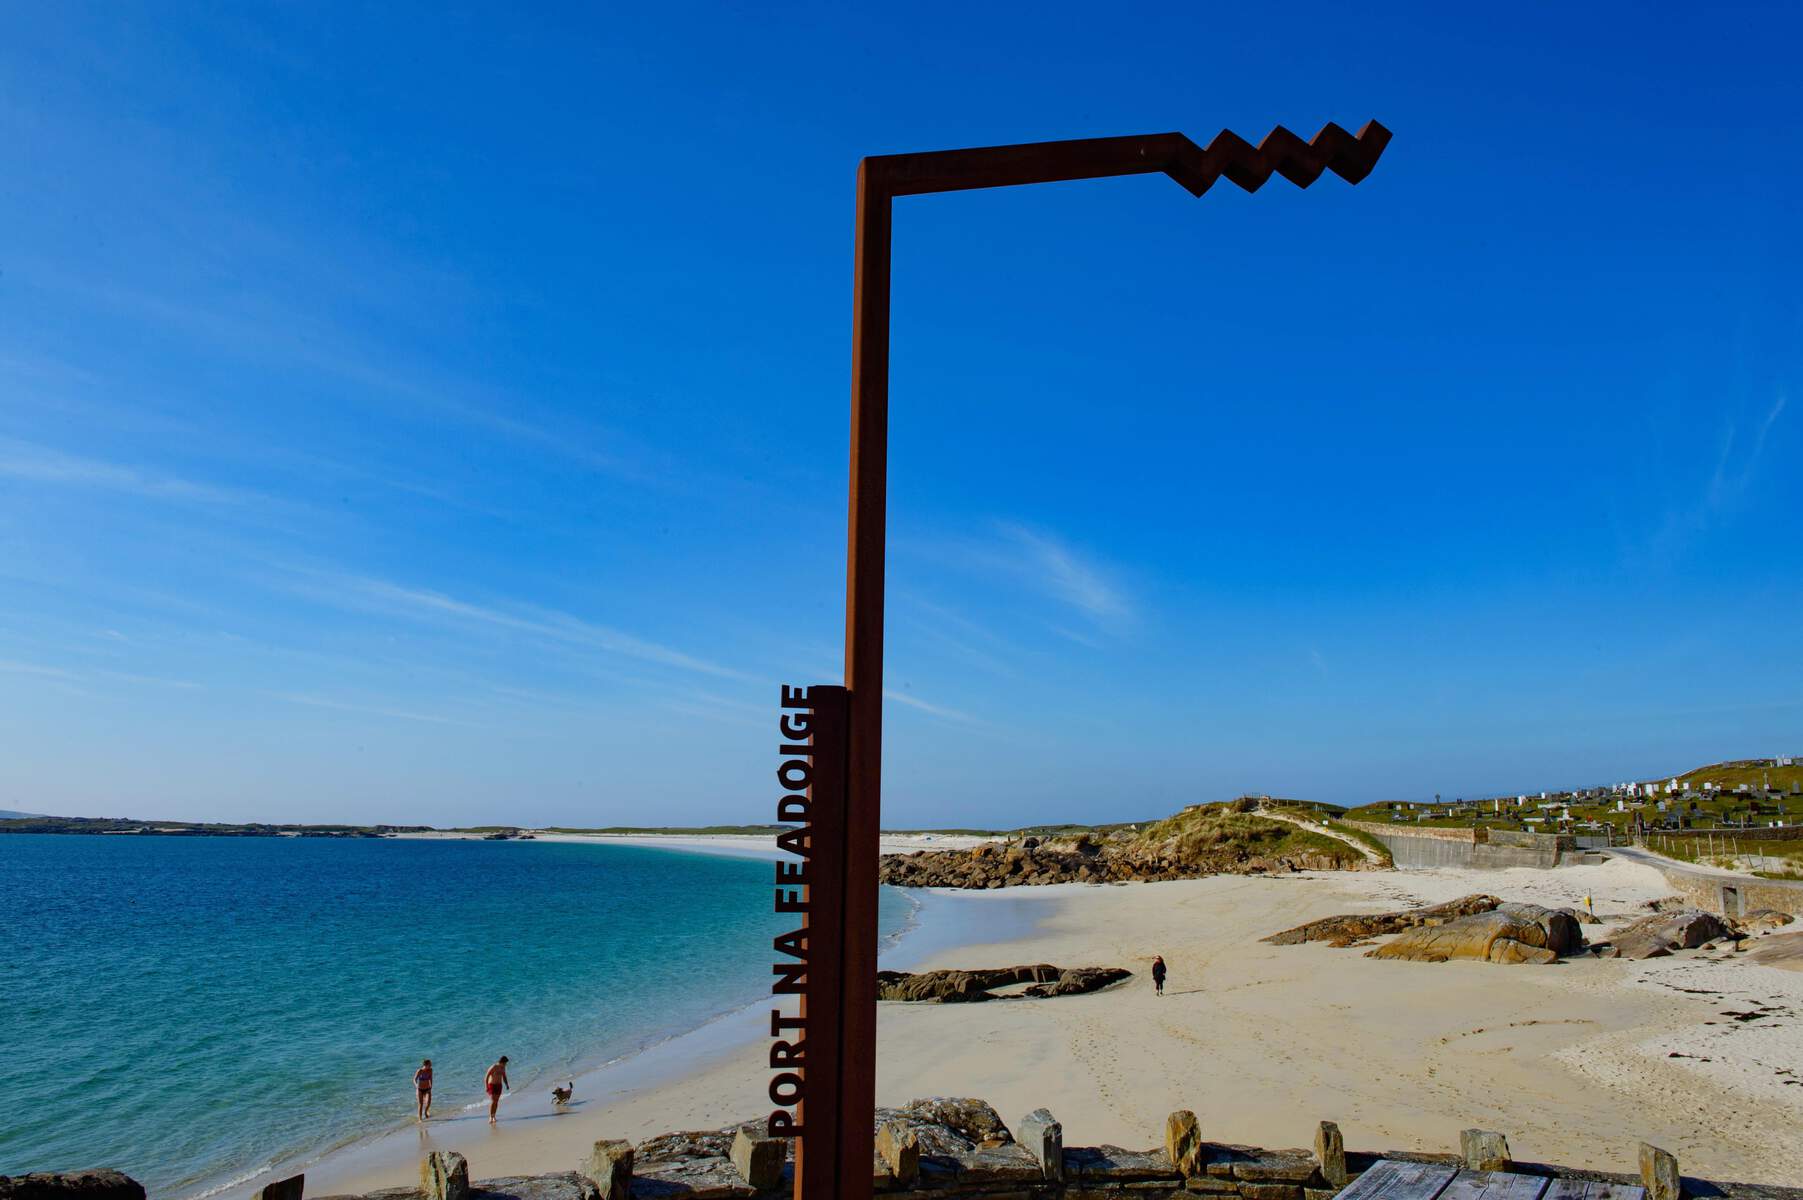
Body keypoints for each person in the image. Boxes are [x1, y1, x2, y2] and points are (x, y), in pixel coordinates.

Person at [484, 1056, 511, 1123]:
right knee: (493, 1101)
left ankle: (494, 1116)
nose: (506, 1064)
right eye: (505, 1063)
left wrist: (507, 1084)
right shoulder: (493, 1067)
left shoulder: (503, 1067)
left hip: (499, 1085)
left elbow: (504, 1076)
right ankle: (490, 1117)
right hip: (492, 1085)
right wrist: (486, 1086)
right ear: (502, 1062)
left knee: (496, 1101)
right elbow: (486, 1077)